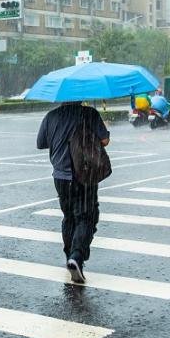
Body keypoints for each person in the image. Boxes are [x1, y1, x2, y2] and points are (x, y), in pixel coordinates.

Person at [37, 101, 110, 284]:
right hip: (83, 174)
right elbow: (105, 141)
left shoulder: (50, 116)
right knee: (86, 216)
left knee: (69, 217)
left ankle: (70, 256)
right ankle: (76, 257)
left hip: (60, 177)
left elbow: (41, 143)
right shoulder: (89, 113)